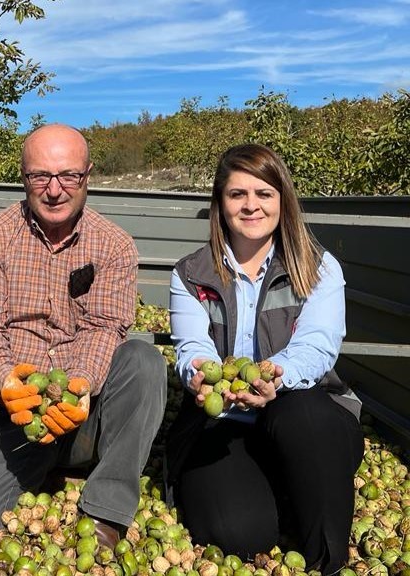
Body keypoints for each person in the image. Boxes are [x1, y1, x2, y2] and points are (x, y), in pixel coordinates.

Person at [0, 123, 167, 547]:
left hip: (82, 414)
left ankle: (105, 511)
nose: (54, 189)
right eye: (40, 176)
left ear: (88, 176)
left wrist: (80, 384)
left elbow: (105, 327)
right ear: (24, 178)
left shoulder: (114, 245)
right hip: (8, 415)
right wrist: (6, 380)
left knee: (143, 361)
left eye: (69, 176)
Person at [165, 143, 363, 575]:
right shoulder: (190, 275)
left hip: (301, 409)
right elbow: (191, 346)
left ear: (282, 201)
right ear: (220, 203)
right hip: (225, 422)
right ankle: (292, 491)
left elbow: (317, 346)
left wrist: (277, 376)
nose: (251, 205)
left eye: (264, 193)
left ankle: (328, 562)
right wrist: (197, 373)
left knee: (304, 417)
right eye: (237, 194)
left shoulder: (318, 268)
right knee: (237, 535)